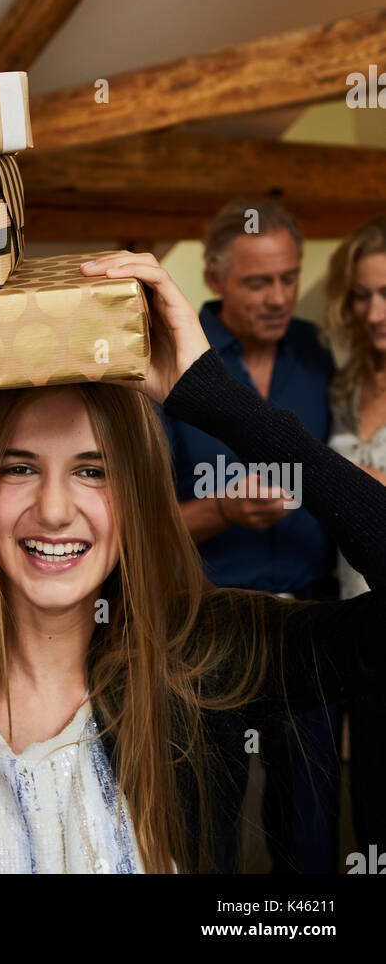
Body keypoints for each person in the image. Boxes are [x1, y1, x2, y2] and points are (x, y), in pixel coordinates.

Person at [0, 252, 385, 874]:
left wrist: (218, 400)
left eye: (92, 471)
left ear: (136, 494)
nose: (55, 508)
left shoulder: (208, 656)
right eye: (19, 468)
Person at [162, 199, 341, 874]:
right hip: (207, 632)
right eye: (257, 283)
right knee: (207, 829)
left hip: (313, 626)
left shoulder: (319, 356)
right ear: (214, 280)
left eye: (289, 278)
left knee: (312, 830)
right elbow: (134, 528)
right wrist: (222, 512)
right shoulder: (173, 362)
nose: (279, 298)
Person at [323, 215, 386, 850]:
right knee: (368, 807)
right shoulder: (344, 384)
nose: (374, 310)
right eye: (364, 294)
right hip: (358, 622)